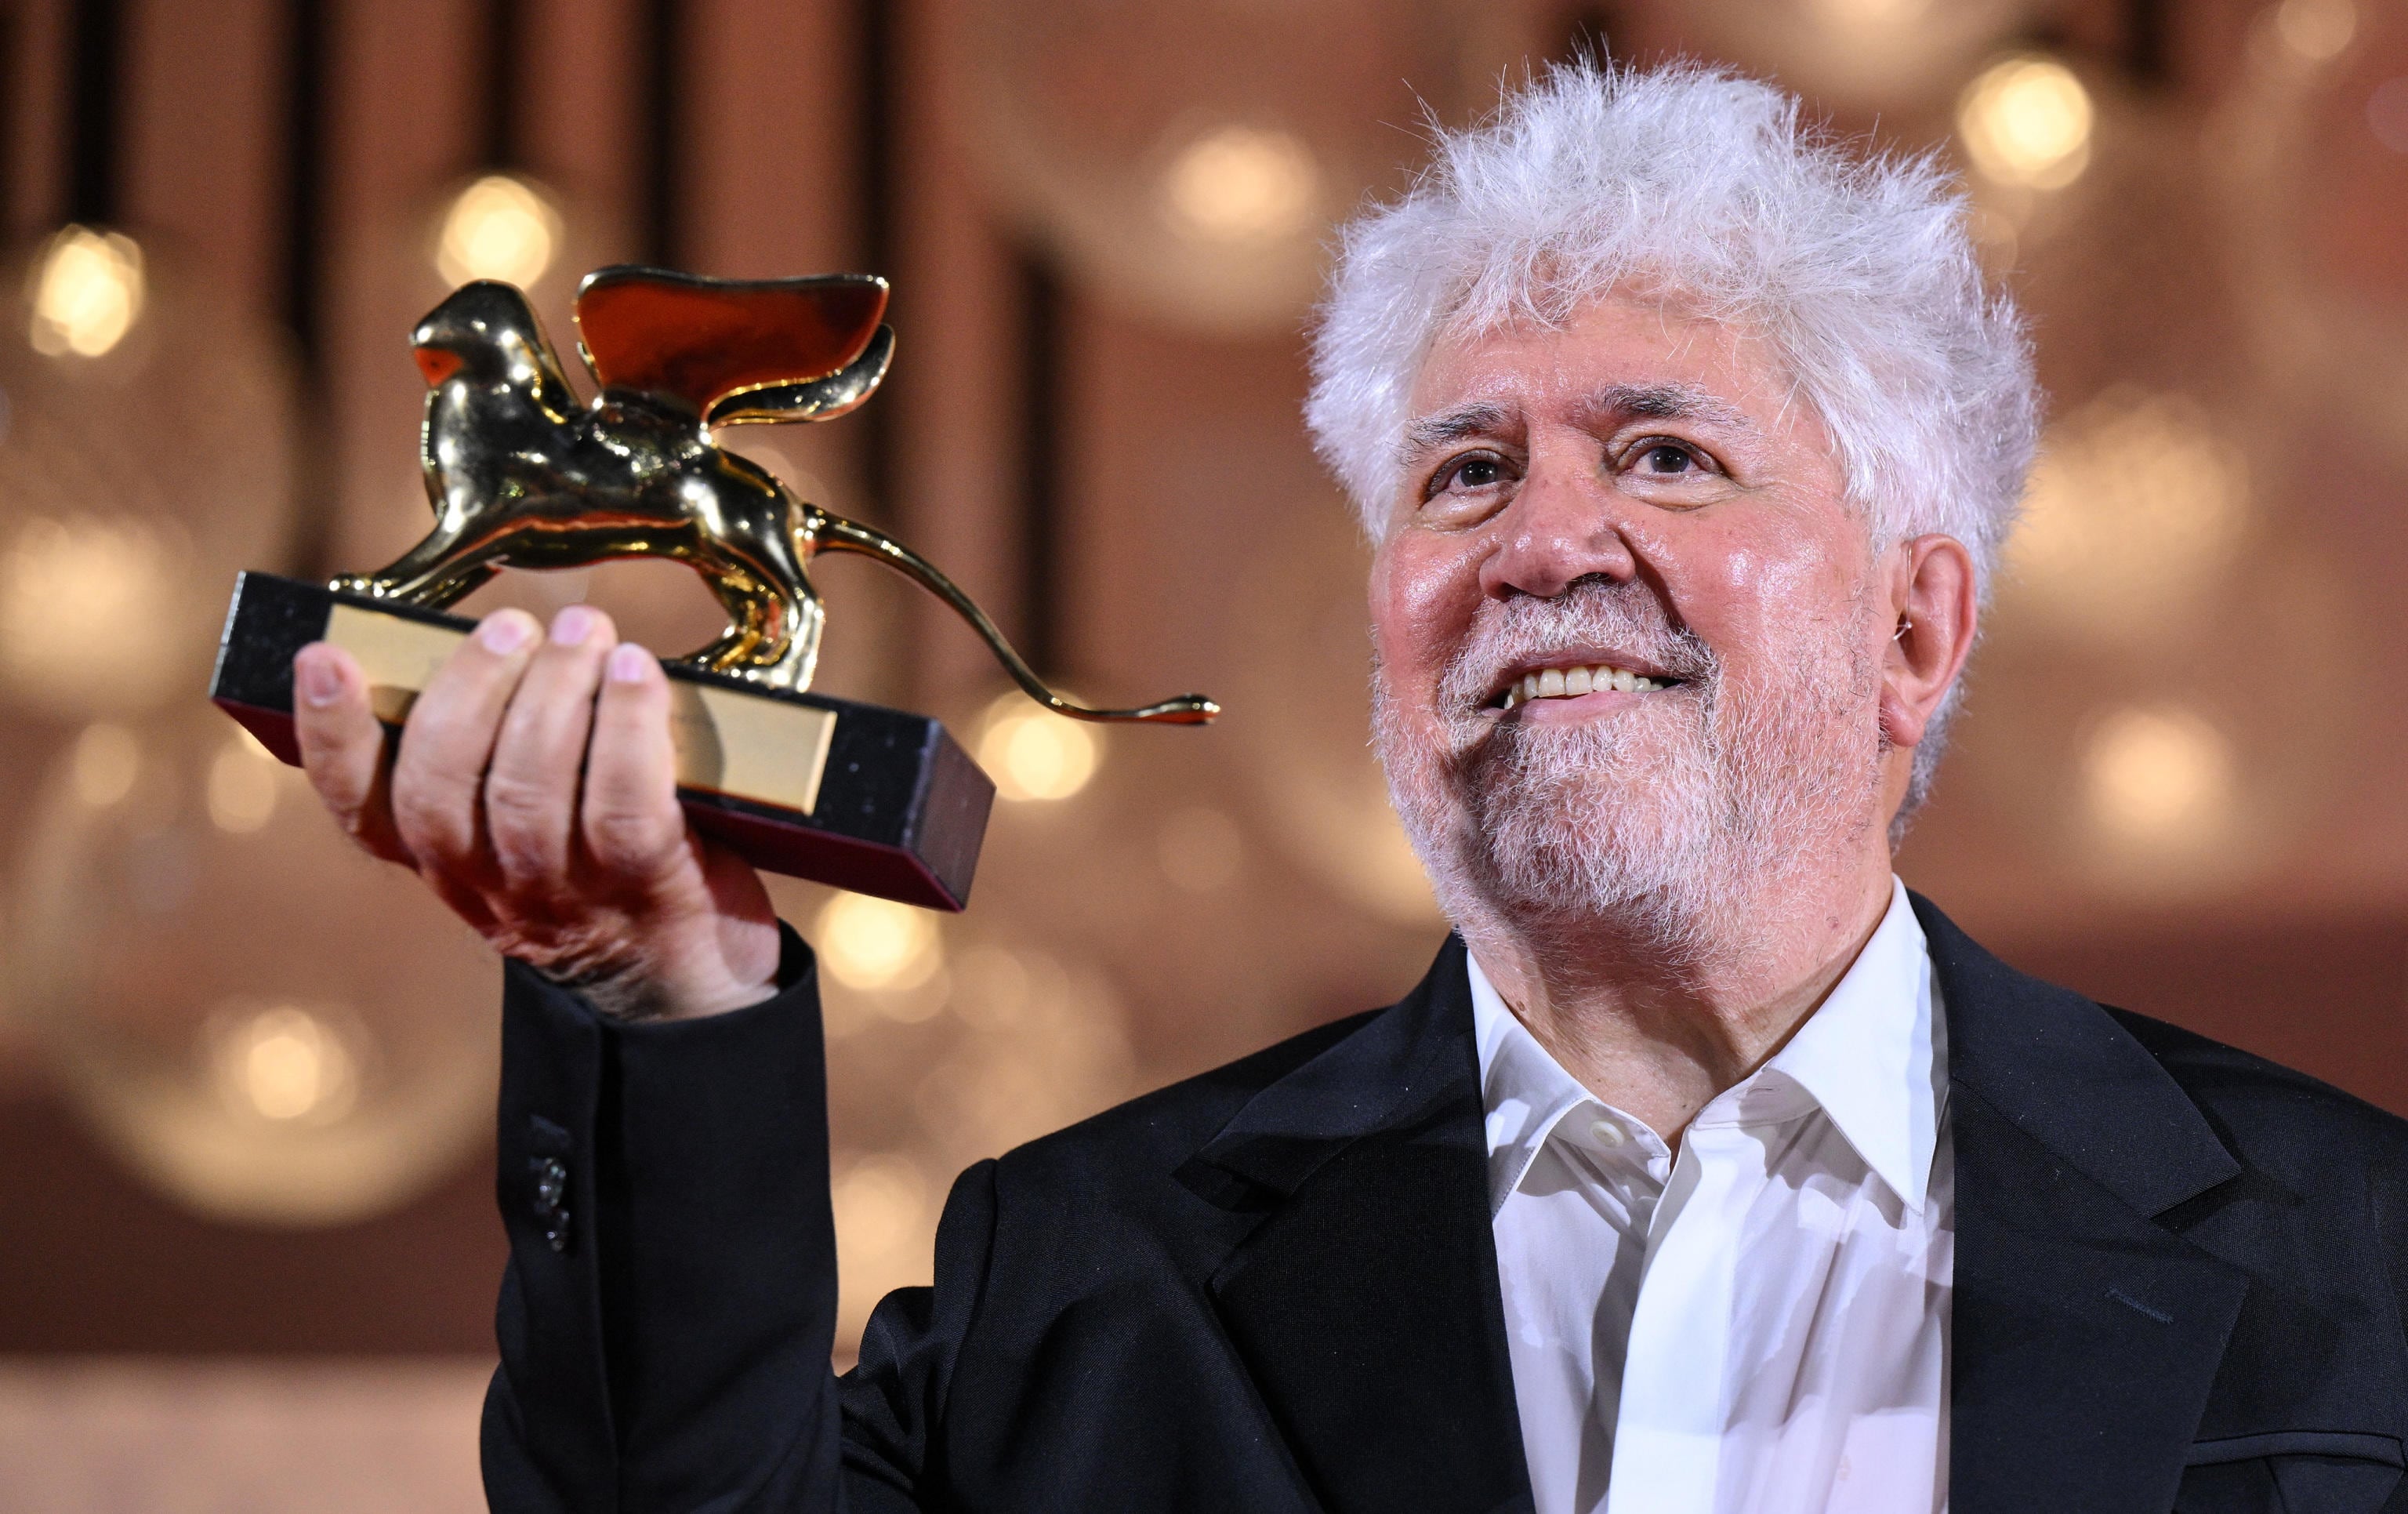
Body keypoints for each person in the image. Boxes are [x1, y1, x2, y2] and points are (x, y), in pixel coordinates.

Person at [292, 62, 2408, 1514]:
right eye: (1465, 469)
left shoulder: (2364, 1261)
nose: (1540, 538)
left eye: (1665, 450)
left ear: (1915, 629)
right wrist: (650, 1001)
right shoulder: (1077, 1281)